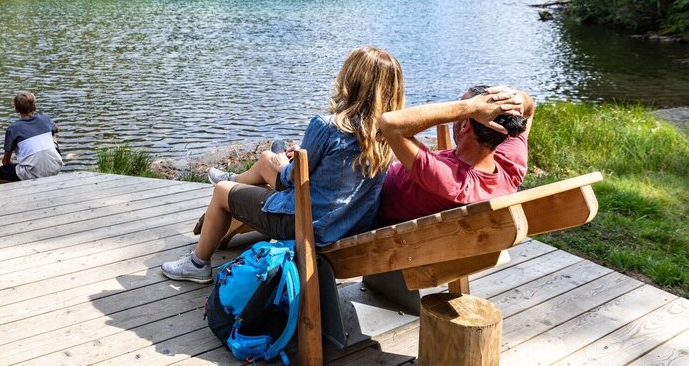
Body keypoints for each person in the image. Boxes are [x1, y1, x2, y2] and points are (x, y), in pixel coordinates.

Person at [161, 46, 405, 283]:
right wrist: (300, 157)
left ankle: (197, 264)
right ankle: (238, 179)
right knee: (272, 156)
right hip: (352, 225)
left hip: (308, 226)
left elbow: (290, 180)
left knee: (223, 191)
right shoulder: (389, 135)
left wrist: (281, 164)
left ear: (351, 80)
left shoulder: (328, 126)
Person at [376, 85, 535, 224]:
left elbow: (389, 123)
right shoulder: (510, 167)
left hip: (368, 207)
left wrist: (469, 108)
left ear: (465, 124)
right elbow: (528, 110)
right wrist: (515, 98)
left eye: (462, 106)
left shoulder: (452, 181)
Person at [0, 91, 63, 183]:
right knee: (52, 134)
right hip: (56, 165)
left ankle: (23, 186)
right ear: (35, 107)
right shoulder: (45, 118)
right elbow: (56, 129)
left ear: (16, 109)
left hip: (31, 172)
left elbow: (5, 162)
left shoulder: (13, 129)